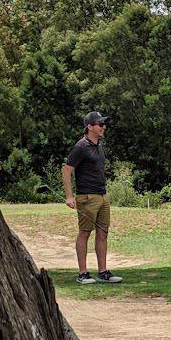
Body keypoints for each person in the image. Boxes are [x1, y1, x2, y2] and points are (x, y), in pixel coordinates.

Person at [62, 112, 122, 284]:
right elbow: (67, 171)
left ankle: (103, 272)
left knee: (103, 233)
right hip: (87, 197)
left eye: (103, 124)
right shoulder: (81, 147)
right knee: (85, 233)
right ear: (90, 127)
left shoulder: (99, 144)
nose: (103, 127)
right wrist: (69, 196)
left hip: (103, 196)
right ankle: (82, 274)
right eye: (99, 124)